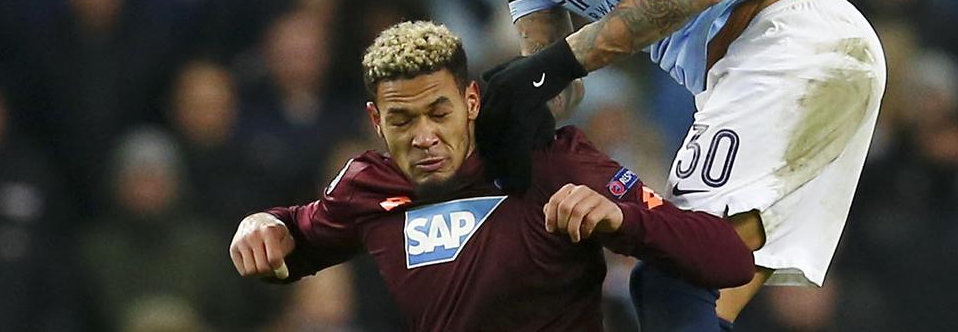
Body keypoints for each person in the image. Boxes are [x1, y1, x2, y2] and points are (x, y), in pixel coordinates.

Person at [387, 0, 887, 330]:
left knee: (672, 276)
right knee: (701, 302)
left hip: (786, 42)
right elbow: (551, 80)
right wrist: (484, 140)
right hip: (759, 72)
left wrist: (550, 67)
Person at [229, 21, 753, 332]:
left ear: (471, 101)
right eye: (402, 121)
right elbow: (293, 239)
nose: (425, 137)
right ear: (376, 121)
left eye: (440, 113)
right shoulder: (368, 189)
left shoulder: (552, 164)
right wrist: (260, 223)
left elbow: (728, 258)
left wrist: (623, 219)